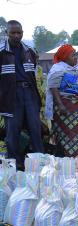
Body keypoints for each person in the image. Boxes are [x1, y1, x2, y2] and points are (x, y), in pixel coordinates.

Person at [0, 20, 43, 168]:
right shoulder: (1, 51)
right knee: (12, 132)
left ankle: (39, 165)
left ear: (23, 33)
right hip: (10, 96)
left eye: (19, 32)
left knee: (35, 129)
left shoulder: (29, 51)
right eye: (13, 32)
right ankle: (14, 167)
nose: (16, 35)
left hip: (29, 93)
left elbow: (34, 76)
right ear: (7, 33)